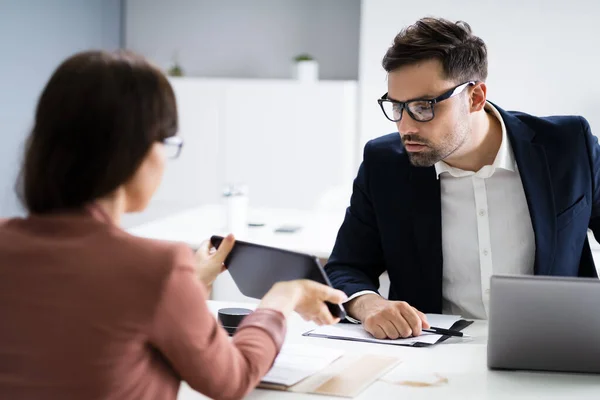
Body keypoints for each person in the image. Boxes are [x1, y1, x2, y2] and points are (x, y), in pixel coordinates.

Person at [0, 50, 347, 400]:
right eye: (168, 143)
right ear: (140, 149)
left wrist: (188, 284)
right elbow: (232, 379)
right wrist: (281, 299)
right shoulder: (154, 267)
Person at [325, 17, 600, 340]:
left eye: (424, 107)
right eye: (396, 106)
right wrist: (369, 304)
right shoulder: (384, 163)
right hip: (432, 359)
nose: (405, 126)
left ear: (475, 97)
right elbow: (346, 266)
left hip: (553, 348)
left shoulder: (566, 145)